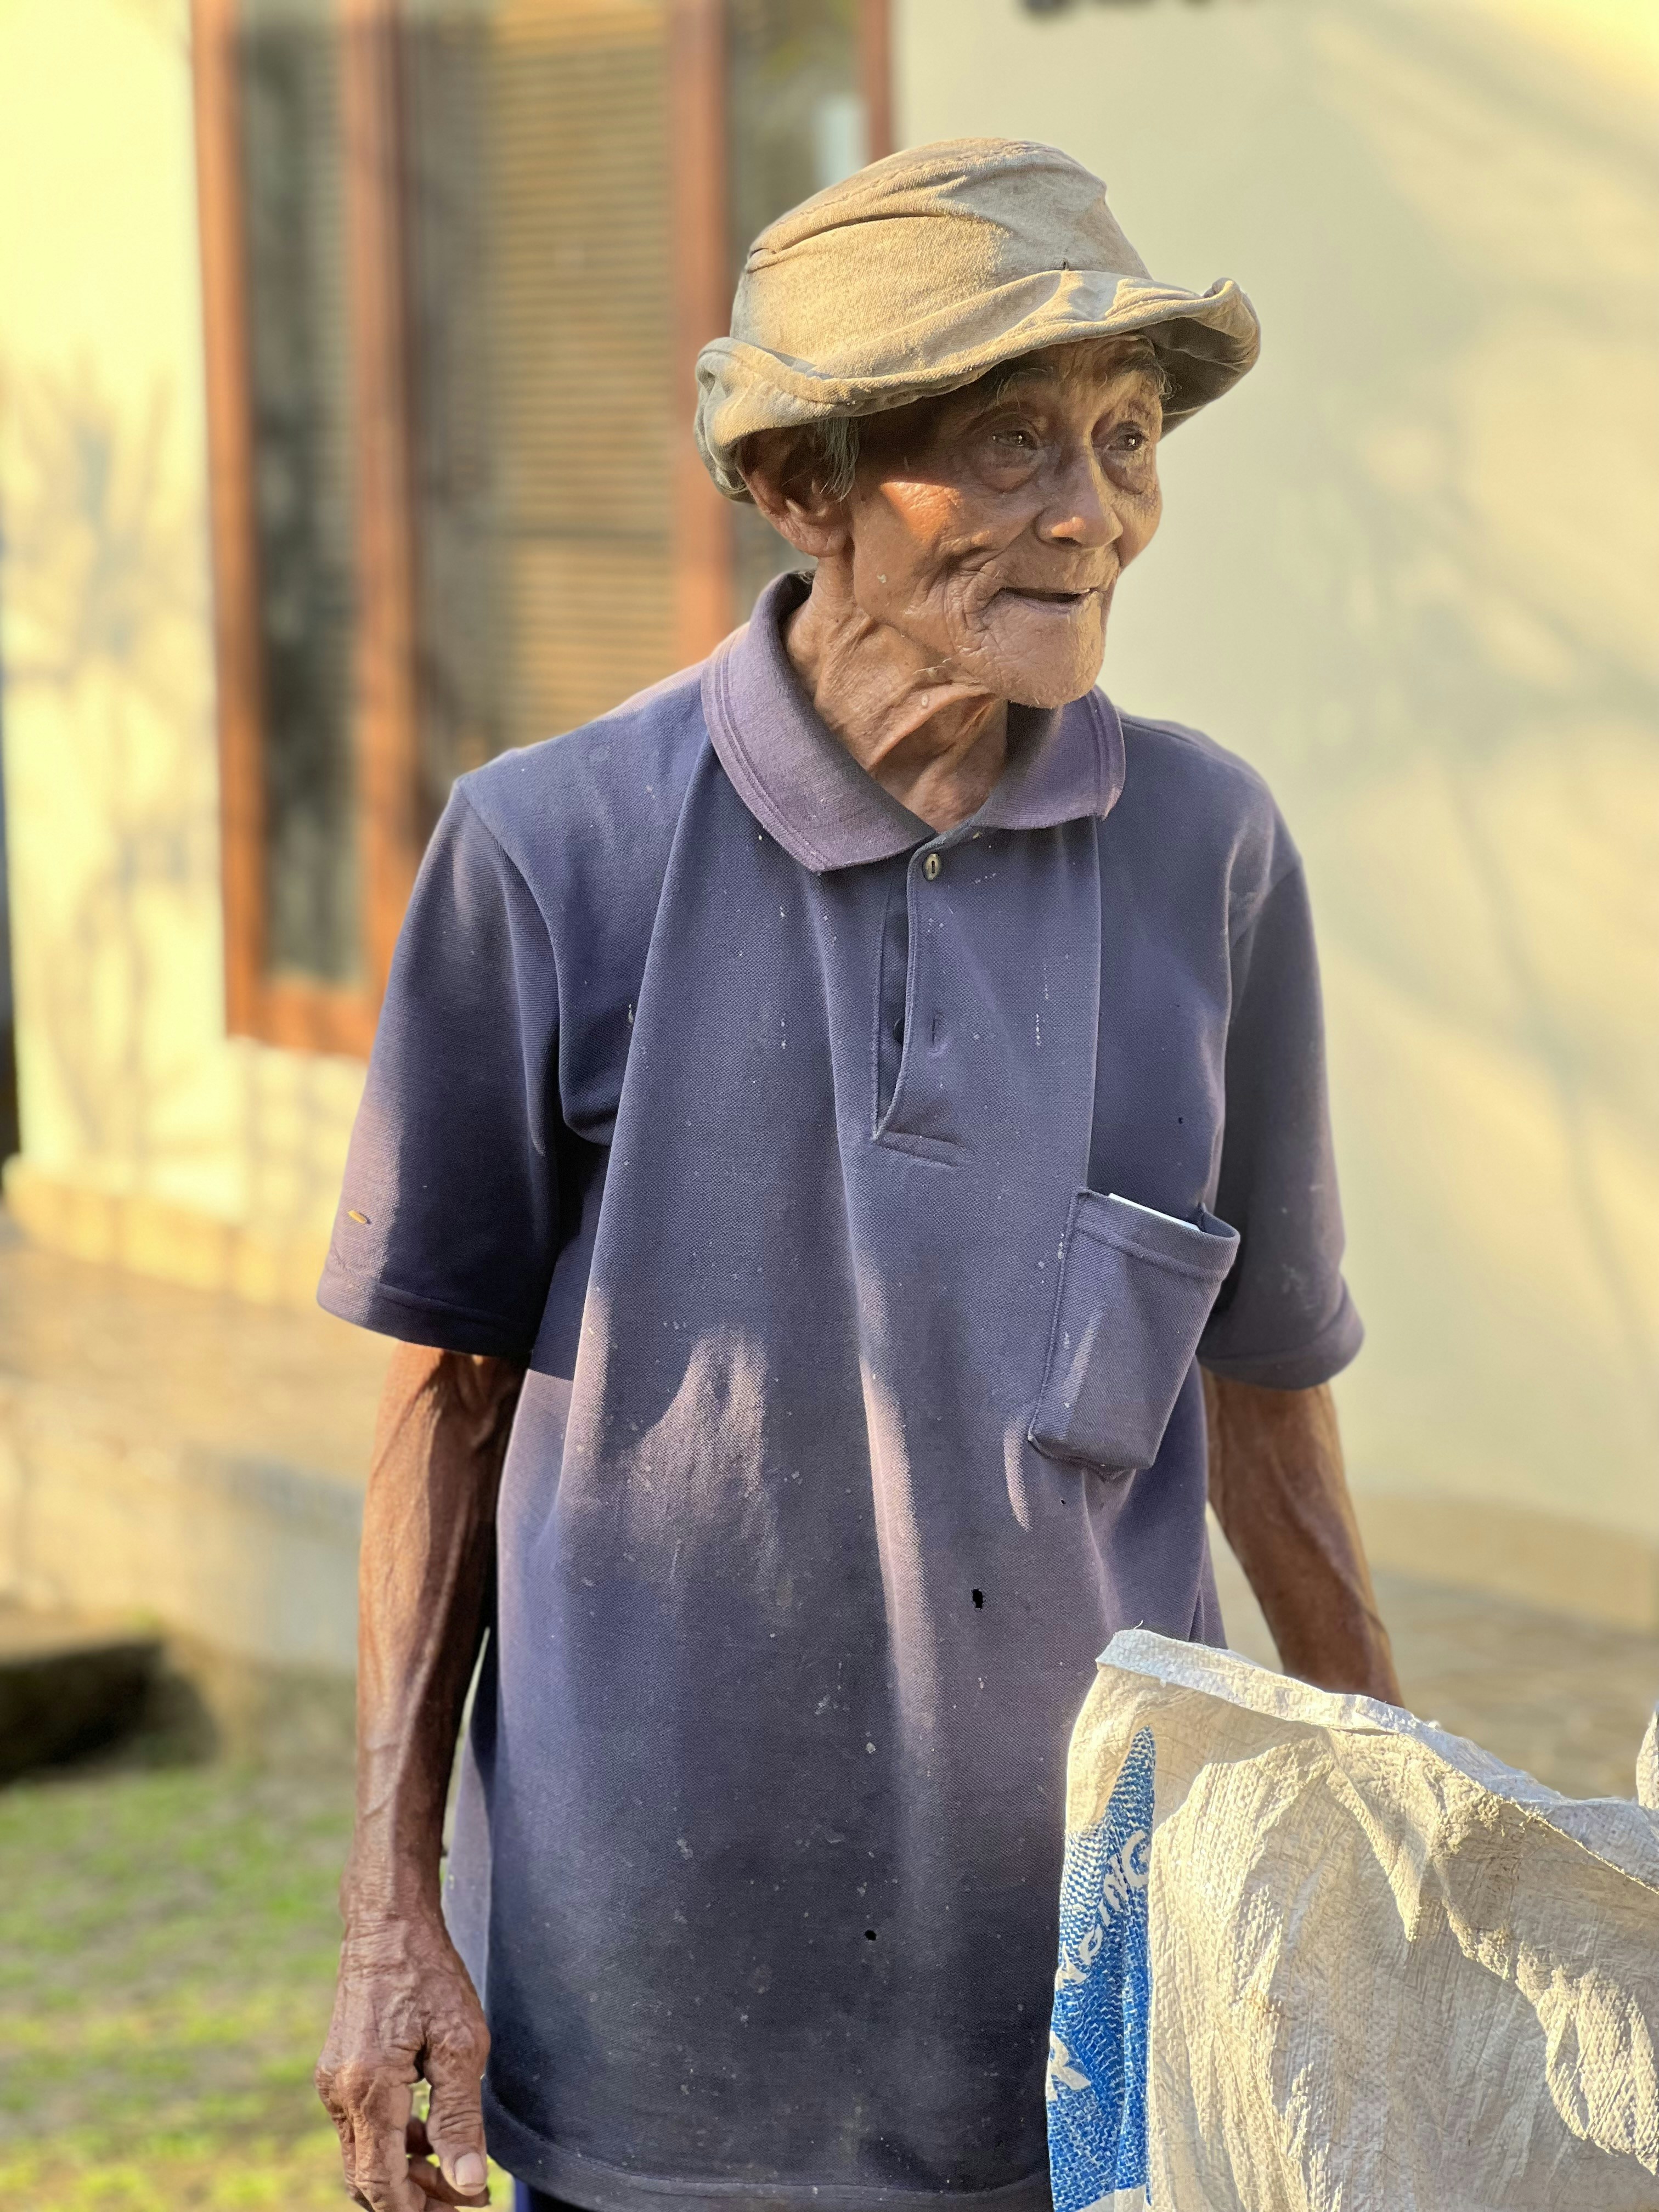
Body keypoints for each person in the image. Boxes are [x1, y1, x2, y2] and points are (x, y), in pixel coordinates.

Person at [314, 138, 1401, 2212]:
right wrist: (390, 1914)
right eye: (1005, 446)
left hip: (1102, 1987)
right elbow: (441, 1412)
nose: (1089, 511)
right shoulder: (556, 854)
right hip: (665, 2023)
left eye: (1125, 438)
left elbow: (1268, 1405)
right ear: (804, 489)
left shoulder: (1211, 855)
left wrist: (1404, 1848)